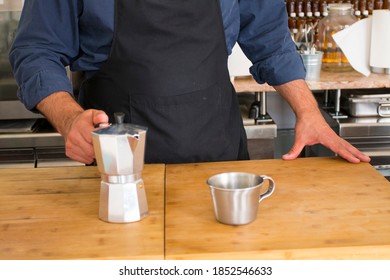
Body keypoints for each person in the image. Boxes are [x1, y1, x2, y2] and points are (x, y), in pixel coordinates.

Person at [9, 0, 370, 165]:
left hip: (218, 158)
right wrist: (70, 119)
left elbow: (270, 38)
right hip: (117, 170)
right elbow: (36, 50)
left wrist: (309, 112)